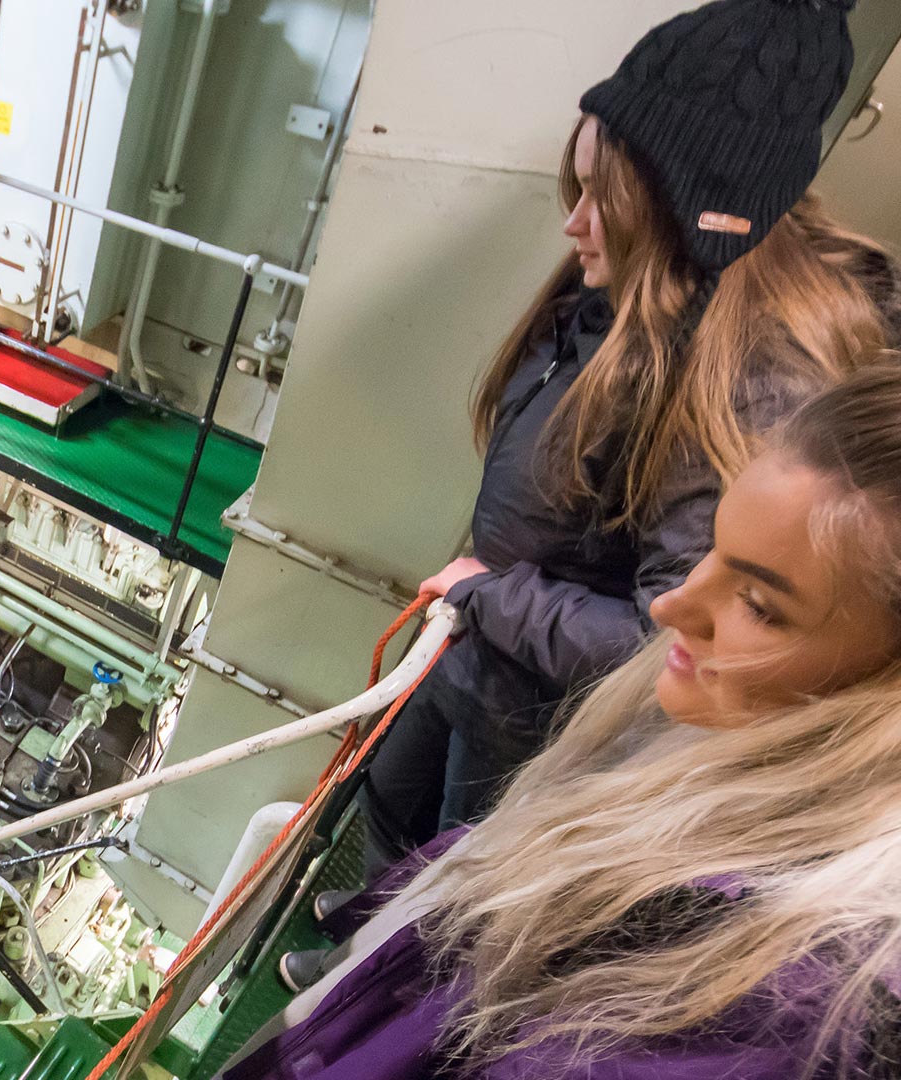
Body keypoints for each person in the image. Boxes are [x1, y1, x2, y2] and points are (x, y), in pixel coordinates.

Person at [352, 0, 901, 914]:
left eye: (606, 199)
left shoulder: (751, 382)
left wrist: (493, 598)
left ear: (692, 212)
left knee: (454, 879)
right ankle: (363, 919)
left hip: (530, 699)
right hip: (482, 638)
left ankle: (377, 949)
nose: (575, 227)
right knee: (388, 804)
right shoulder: (643, 284)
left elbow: (673, 639)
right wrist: (484, 599)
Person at [229, 361, 901, 1079]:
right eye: (712, 548)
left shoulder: (781, 1002)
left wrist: (495, 599)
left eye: (760, 606)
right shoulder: (720, 745)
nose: (674, 607)